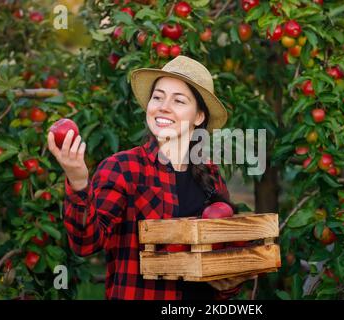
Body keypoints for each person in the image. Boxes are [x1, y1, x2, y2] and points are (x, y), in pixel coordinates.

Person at [47, 55, 256, 300]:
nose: (163, 106)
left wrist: (227, 285)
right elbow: (85, 243)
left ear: (199, 117)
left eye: (179, 100)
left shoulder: (210, 175)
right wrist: (78, 181)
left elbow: (215, 263)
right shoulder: (123, 168)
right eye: (157, 97)